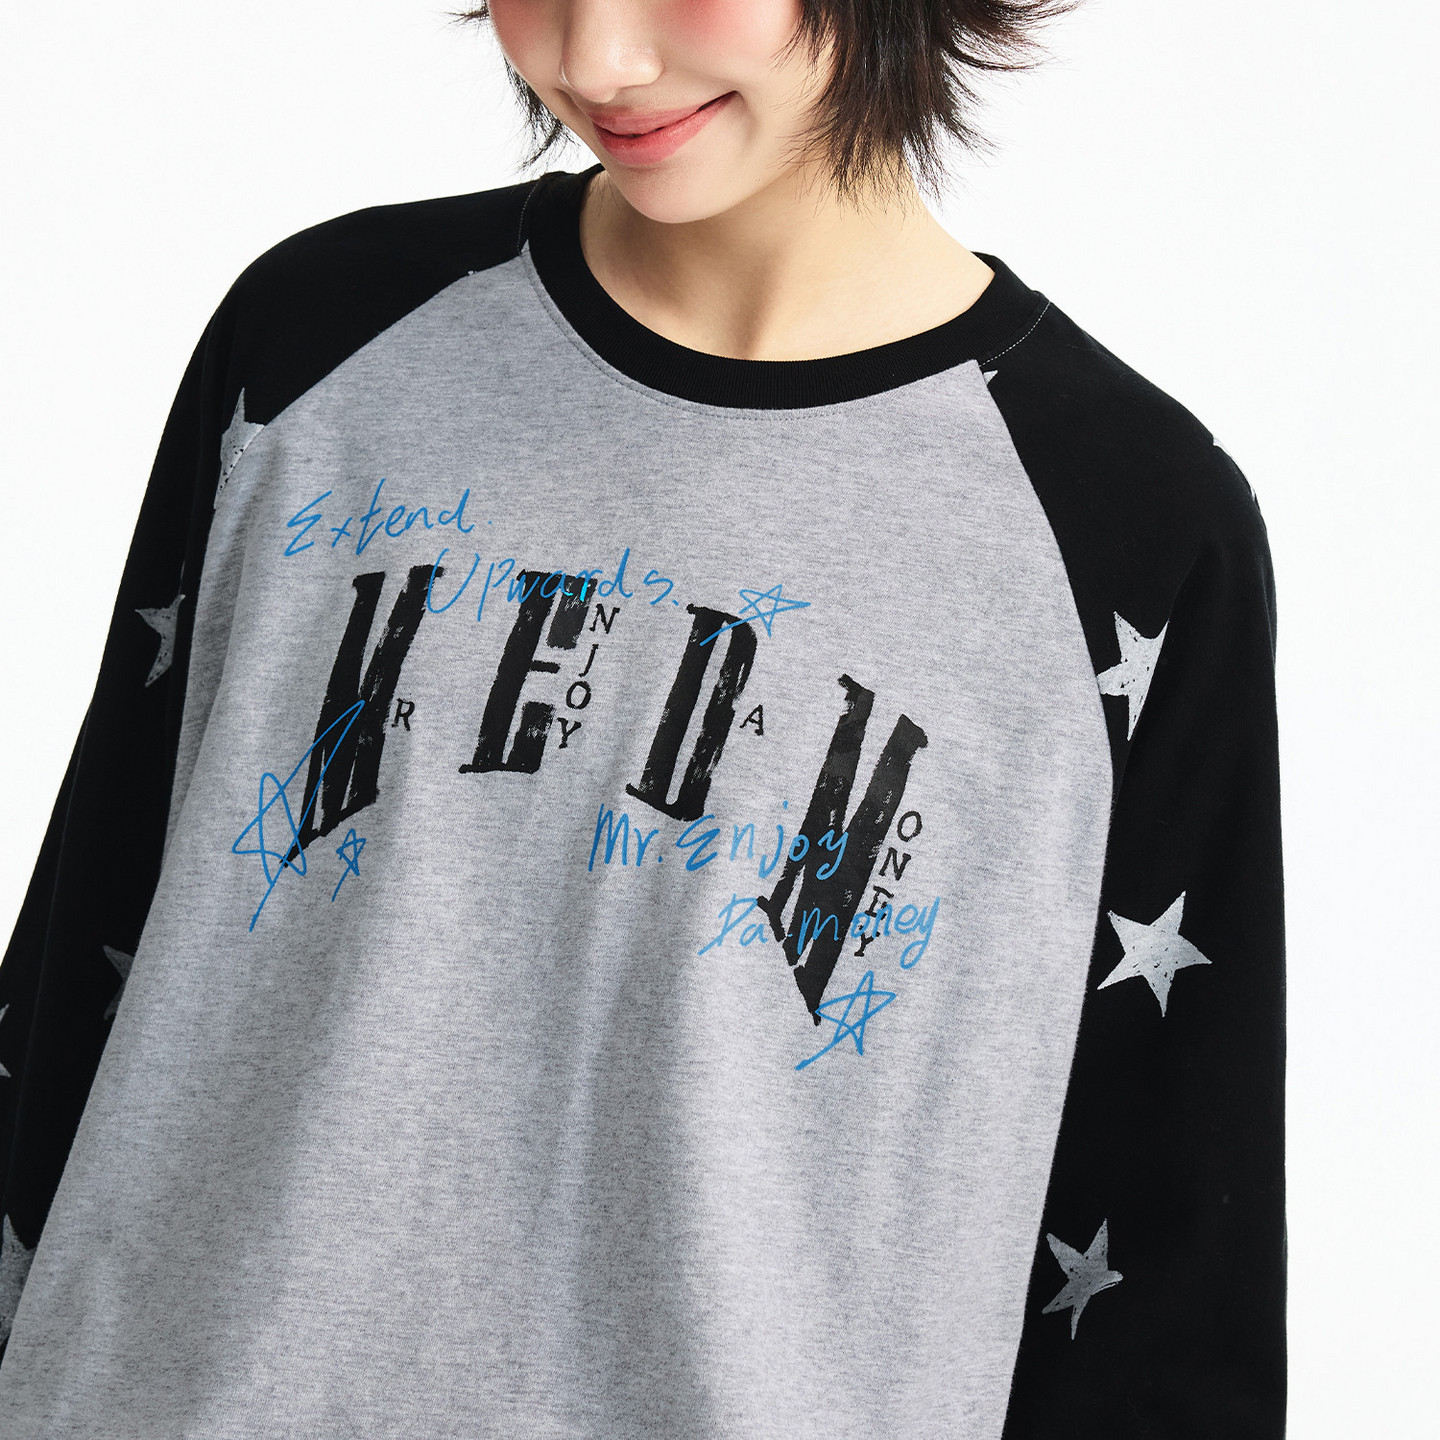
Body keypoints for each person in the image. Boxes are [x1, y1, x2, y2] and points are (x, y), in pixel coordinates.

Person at [0, 1, 1285, 1434]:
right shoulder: (321, 343)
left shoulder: (1124, 529)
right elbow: (81, 967)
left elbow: (1166, 1268)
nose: (594, 59)